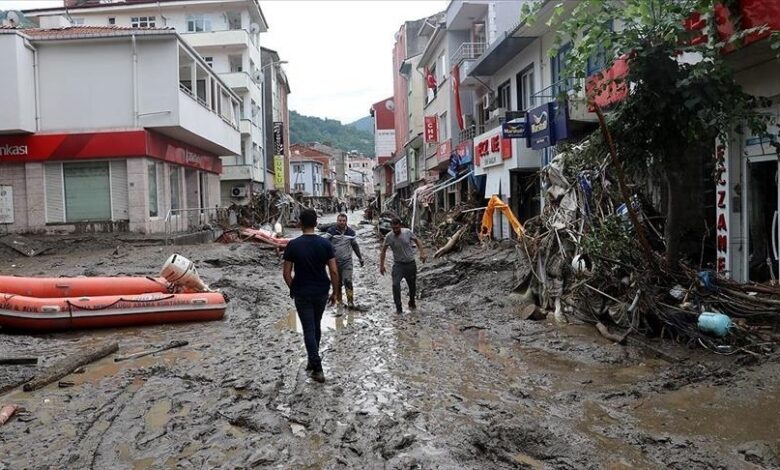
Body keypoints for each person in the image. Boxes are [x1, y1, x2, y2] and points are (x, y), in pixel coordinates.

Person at [283, 208, 340, 383]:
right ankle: (313, 360)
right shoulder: (325, 244)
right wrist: (335, 293)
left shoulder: (293, 245)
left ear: (300, 224)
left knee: (308, 328)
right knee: (315, 326)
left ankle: (317, 366)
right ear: (316, 223)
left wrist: (295, 288)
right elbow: (334, 271)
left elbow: (286, 273)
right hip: (321, 291)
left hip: (302, 293)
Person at [379, 218, 427, 314]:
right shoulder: (389, 236)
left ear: (400, 226)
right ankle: (399, 308)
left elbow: (417, 241)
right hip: (398, 265)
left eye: (397, 228)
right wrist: (381, 265)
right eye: (394, 228)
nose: (396, 230)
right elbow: (383, 251)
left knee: (412, 286)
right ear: (391, 227)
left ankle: (412, 301)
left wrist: (422, 253)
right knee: (395, 285)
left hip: (410, 263)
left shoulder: (407, 232)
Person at [323, 213, 364, 311]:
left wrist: (360, 258)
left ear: (346, 222)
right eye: (340, 220)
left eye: (343, 221)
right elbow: (324, 244)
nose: (341, 222)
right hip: (334, 263)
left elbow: (355, 246)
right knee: (337, 284)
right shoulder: (331, 231)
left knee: (348, 281)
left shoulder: (351, 232)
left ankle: (350, 302)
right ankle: (339, 302)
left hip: (347, 262)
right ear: (337, 221)